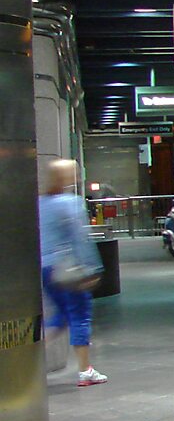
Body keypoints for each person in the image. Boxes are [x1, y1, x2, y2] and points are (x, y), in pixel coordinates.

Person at [40, 159, 107, 387]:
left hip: (45, 267)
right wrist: (92, 267)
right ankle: (85, 370)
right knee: (80, 315)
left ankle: (30, 359)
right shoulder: (71, 202)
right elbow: (80, 238)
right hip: (68, 268)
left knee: (59, 316)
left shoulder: (40, 202)